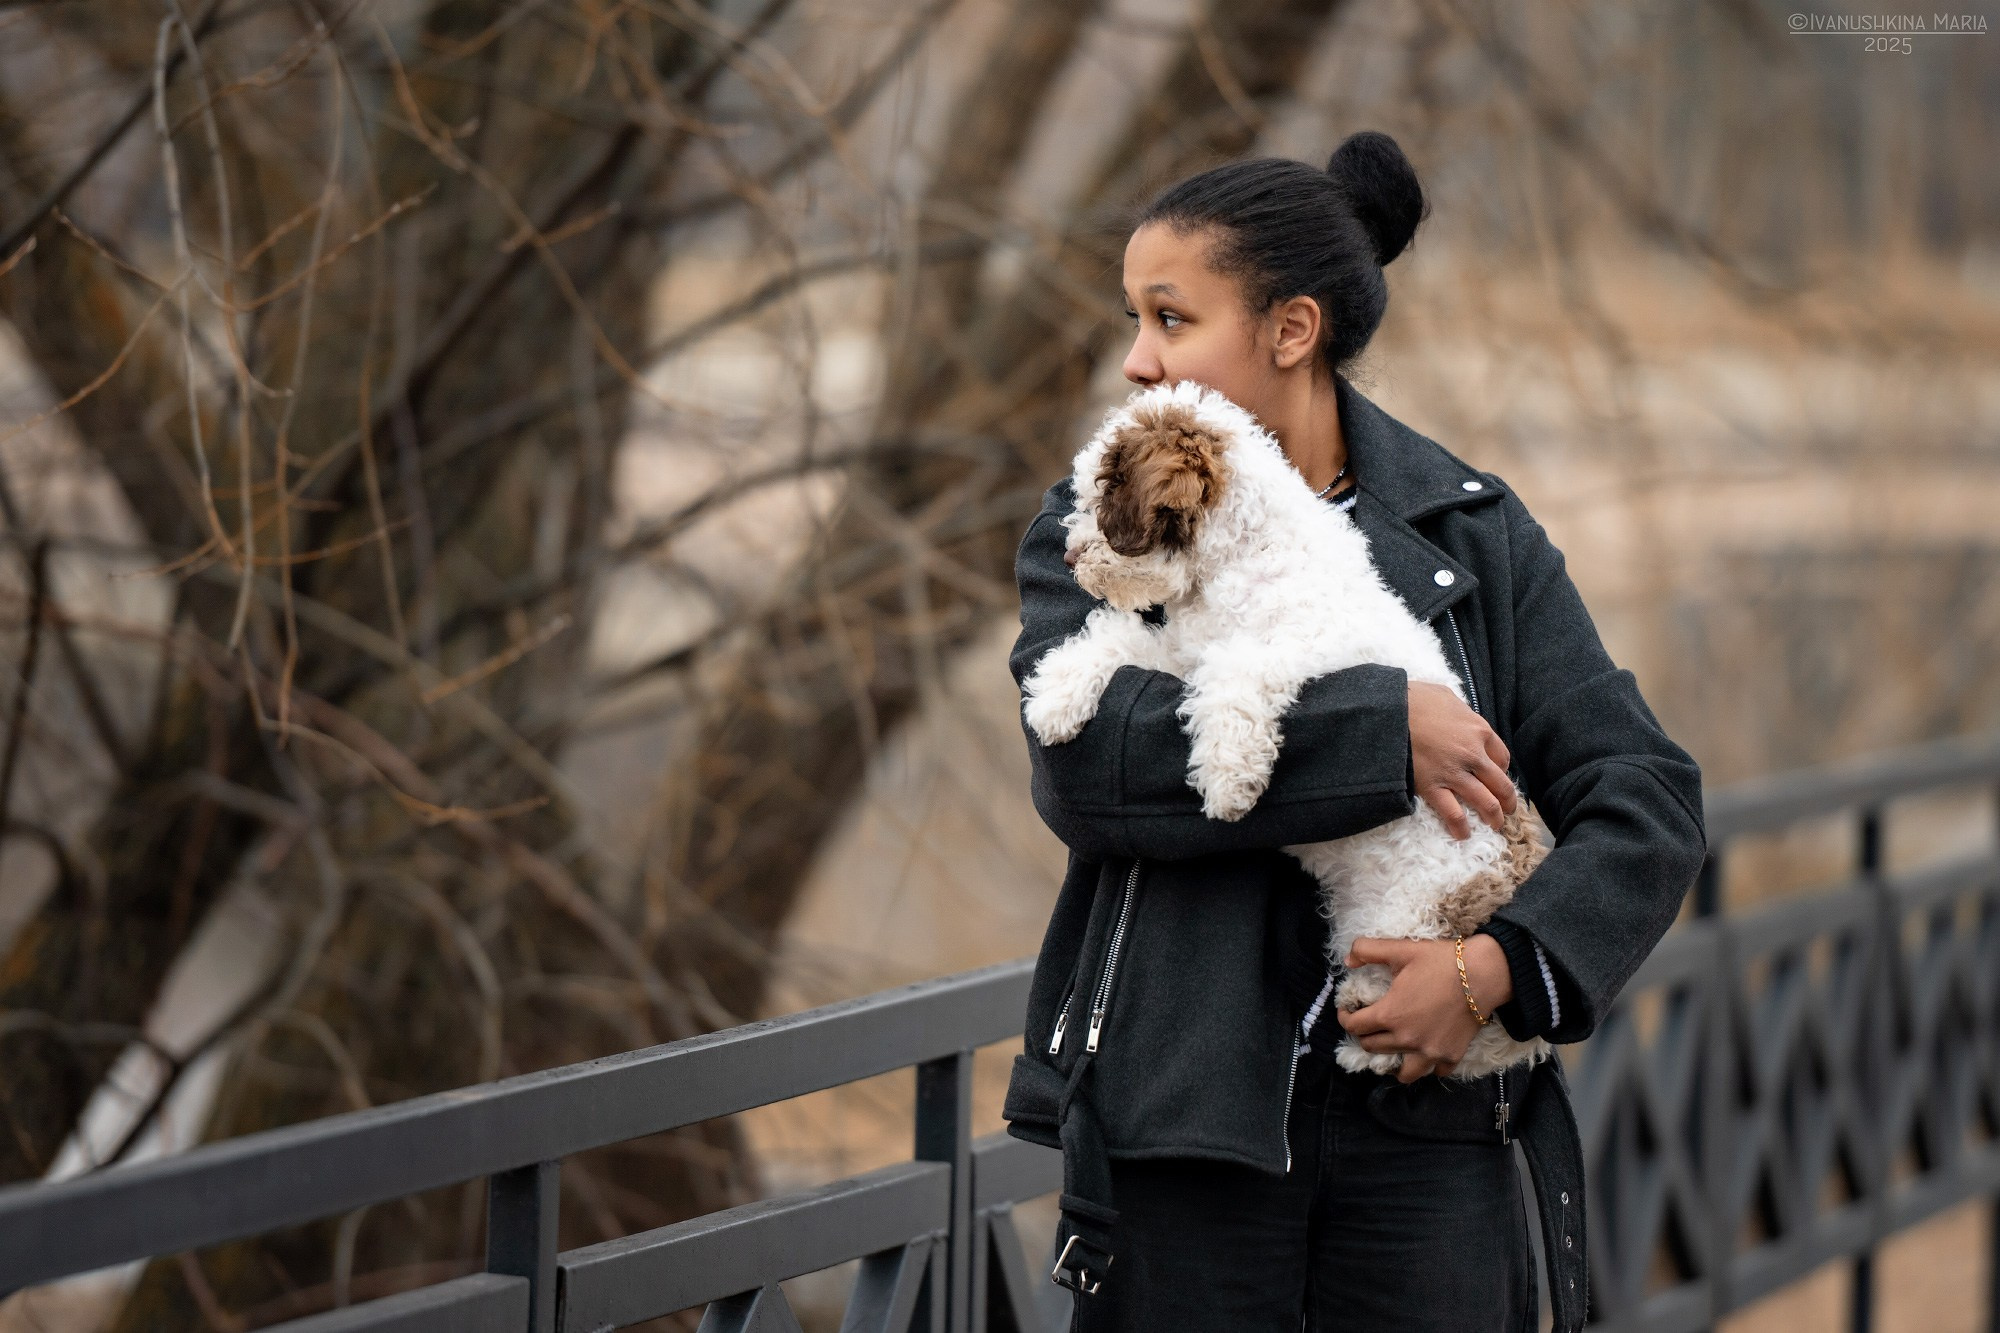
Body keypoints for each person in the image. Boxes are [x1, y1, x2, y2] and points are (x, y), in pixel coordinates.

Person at [999, 130, 1707, 1332]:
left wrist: (1493, 975)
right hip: (1188, 1134)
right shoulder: (1112, 516)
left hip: (1430, 1140)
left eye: (1170, 319)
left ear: (1290, 329)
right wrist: (1378, 737)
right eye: (1133, 317)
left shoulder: (1469, 528)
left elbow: (1644, 794)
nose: (1133, 360)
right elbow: (1091, 764)